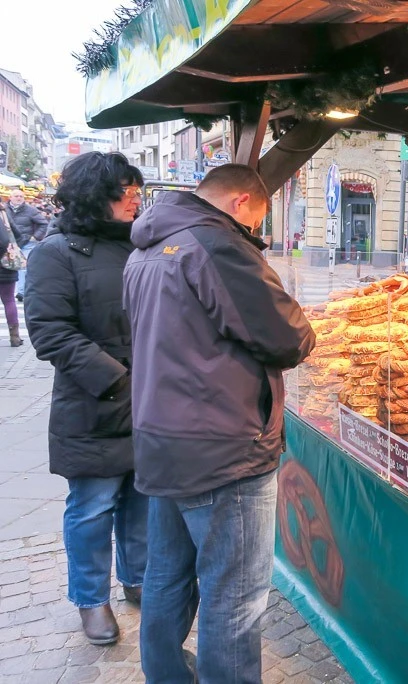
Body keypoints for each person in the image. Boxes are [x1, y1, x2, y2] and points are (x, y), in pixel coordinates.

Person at [123, 164, 315, 683]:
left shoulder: (146, 246)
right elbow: (287, 336)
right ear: (242, 202)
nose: (256, 227)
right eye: (259, 215)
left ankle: (165, 676)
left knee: (166, 576)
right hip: (223, 448)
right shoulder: (215, 247)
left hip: (163, 437)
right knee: (235, 595)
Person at [23, 152, 147, 645]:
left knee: (141, 499)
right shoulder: (56, 252)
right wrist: (118, 379)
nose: (135, 197)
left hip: (149, 400)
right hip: (94, 404)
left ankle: (136, 578)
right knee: (93, 505)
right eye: (125, 190)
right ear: (95, 196)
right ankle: (90, 599)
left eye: (136, 189)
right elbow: (50, 331)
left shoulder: (141, 245)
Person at [6, 189, 50, 301]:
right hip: (8, 243)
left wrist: (35, 237)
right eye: (16, 196)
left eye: (21, 196)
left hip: (26, 242)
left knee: (23, 267)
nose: (19, 198)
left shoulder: (31, 210)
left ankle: (21, 292)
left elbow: (43, 223)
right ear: (10, 197)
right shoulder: (4, 210)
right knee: (6, 267)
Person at [0, 210, 22, 346]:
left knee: (8, 300)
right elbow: (18, 235)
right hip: (8, 262)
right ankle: (15, 337)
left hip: (3, 263)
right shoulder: (4, 214)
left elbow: (3, 241)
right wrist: (11, 249)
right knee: (9, 300)